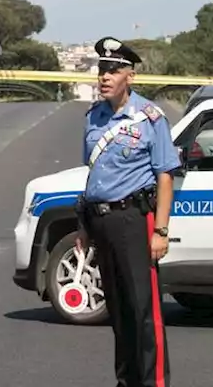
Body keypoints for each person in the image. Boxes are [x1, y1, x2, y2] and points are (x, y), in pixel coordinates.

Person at [75, 37, 179, 387]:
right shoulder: (94, 117)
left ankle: (154, 383)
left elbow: (165, 175)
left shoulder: (149, 118)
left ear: (129, 77)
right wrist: (84, 224)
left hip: (134, 220)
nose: (105, 77)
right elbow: (93, 174)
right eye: (102, 70)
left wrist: (161, 231)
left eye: (113, 70)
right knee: (118, 313)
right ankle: (127, 381)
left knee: (144, 312)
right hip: (101, 221)